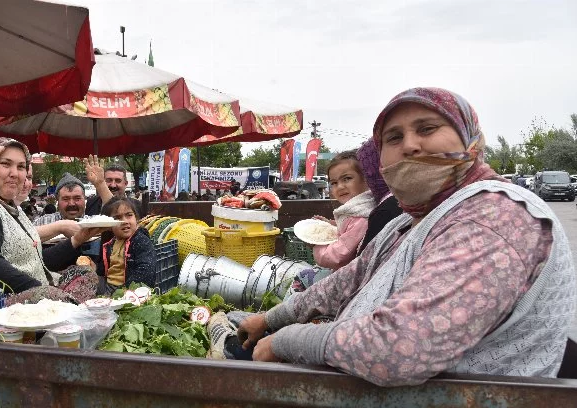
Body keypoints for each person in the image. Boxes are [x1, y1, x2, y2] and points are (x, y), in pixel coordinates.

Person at [220, 87, 576, 386]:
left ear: (470, 140)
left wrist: (286, 341)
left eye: (427, 128)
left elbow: (399, 349)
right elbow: (349, 280)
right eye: (394, 137)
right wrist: (271, 319)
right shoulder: (410, 220)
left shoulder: (493, 217)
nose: (410, 145)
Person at [0, 138, 101, 294]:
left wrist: (78, 239)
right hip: (5, 305)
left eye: (21, 167)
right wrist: (45, 292)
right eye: (5, 164)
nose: (15, 174)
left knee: (87, 275)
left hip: (36, 291)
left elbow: (36, 262)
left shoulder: (11, 207)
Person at [312, 150, 376, 271]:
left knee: (301, 278)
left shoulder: (361, 218)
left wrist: (316, 244)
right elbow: (348, 229)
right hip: (344, 271)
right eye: (334, 183)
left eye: (347, 179)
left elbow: (337, 256)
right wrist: (331, 224)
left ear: (365, 179)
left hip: (349, 277)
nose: (340, 187)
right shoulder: (356, 212)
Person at [96, 197, 156, 295]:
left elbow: (146, 270)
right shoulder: (110, 243)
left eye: (129, 215)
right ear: (109, 225)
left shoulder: (141, 241)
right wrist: (93, 267)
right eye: (117, 218)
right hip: (108, 287)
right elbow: (102, 271)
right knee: (83, 273)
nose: (125, 221)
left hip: (128, 291)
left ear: (136, 218)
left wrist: (125, 292)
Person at [355, 139, 404, 254]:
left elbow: (365, 260)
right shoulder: (407, 199)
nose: (367, 178)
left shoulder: (386, 209)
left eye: (365, 171)